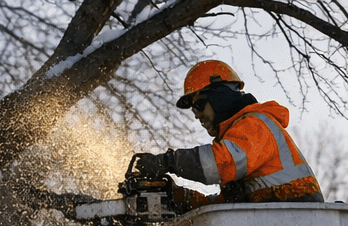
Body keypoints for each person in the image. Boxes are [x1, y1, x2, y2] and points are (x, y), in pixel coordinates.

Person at [133, 60, 324, 209]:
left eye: (199, 106)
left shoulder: (255, 125)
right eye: (193, 110)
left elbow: (221, 163)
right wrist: (181, 197)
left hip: (299, 225)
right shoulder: (238, 144)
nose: (197, 115)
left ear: (220, 97)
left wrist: (168, 162)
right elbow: (226, 208)